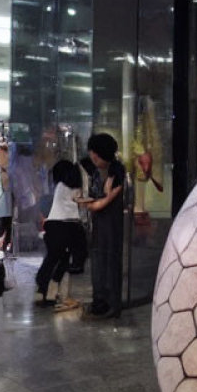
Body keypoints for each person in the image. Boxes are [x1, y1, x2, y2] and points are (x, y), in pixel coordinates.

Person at [79, 133, 125, 318]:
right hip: (99, 224)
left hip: (111, 225)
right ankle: (99, 301)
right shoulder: (96, 172)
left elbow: (101, 203)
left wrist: (86, 203)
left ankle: (111, 305)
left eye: (96, 155)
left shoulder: (117, 173)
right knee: (98, 263)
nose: (93, 159)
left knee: (110, 263)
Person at [35, 160, 84, 312]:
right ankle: (50, 292)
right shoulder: (74, 188)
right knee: (62, 262)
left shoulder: (60, 187)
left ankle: (43, 292)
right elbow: (80, 204)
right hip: (68, 226)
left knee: (52, 260)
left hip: (54, 226)